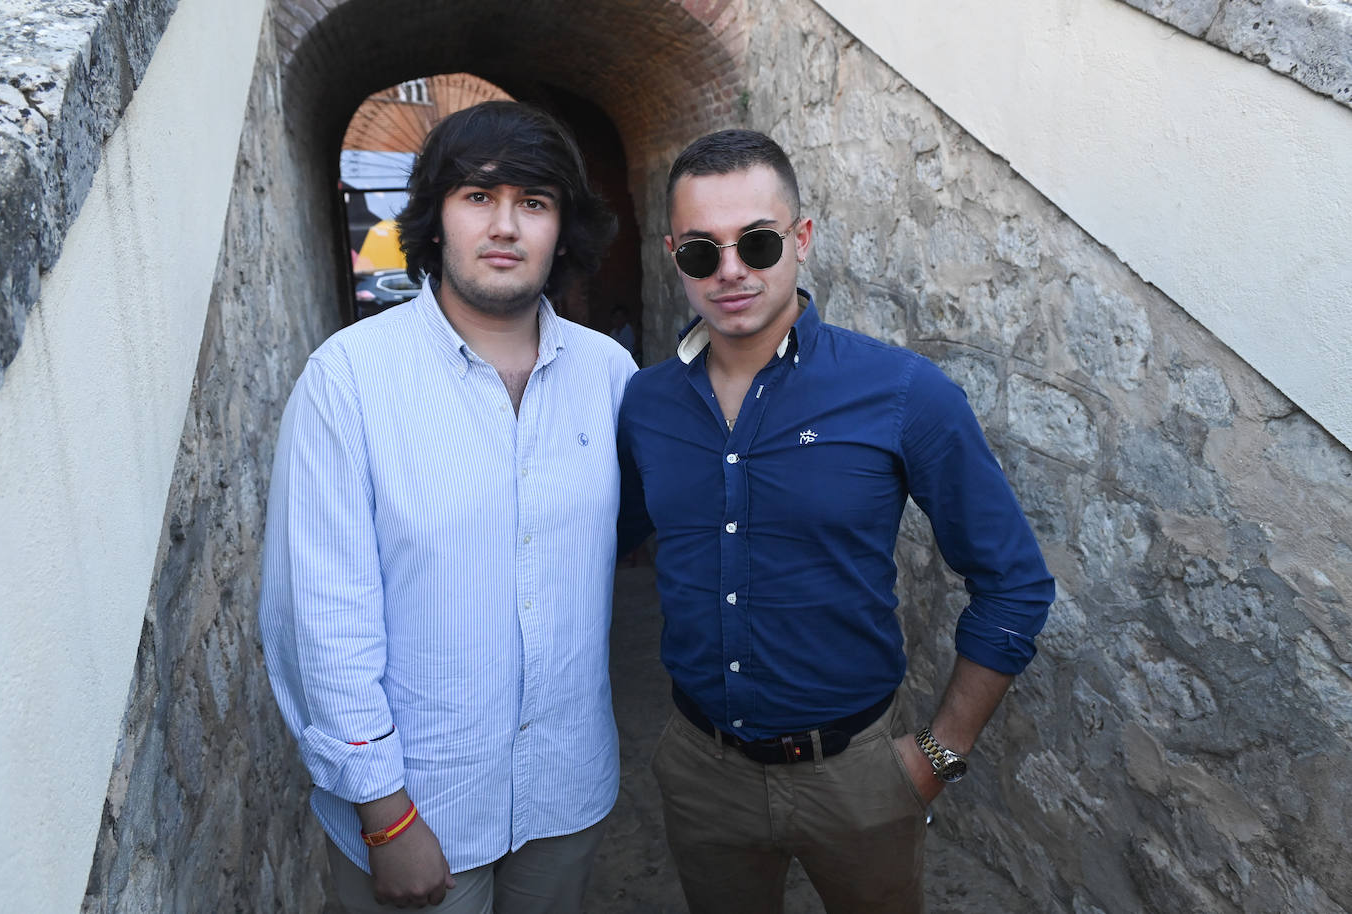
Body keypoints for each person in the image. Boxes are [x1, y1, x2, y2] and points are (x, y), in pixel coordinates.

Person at [616, 129, 1055, 914]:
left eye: (756, 242)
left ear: (802, 239)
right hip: (701, 772)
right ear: (673, 254)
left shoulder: (902, 393)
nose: (731, 272)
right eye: (700, 252)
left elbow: (1014, 581)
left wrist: (937, 756)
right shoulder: (646, 405)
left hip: (857, 775)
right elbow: (599, 544)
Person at [259, 101, 634, 913]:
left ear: (563, 229)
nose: (505, 226)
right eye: (478, 197)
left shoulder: (609, 375)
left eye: (533, 202)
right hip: (416, 812)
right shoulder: (349, 380)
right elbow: (321, 619)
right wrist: (386, 820)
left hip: (564, 794)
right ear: (436, 220)